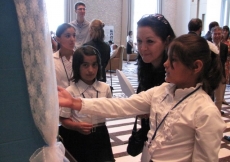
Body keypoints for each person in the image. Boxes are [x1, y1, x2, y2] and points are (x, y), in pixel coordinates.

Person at [58, 34, 226, 162]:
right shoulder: (162, 90)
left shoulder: (206, 111)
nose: (166, 64)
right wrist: (76, 103)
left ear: (196, 66)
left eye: (173, 60)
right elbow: (122, 105)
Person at [59, 45, 115, 162]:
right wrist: (76, 126)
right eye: (85, 65)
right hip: (78, 137)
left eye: (94, 65)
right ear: (77, 67)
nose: (90, 70)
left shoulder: (105, 88)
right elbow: (63, 119)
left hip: (101, 135)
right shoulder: (70, 91)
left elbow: (112, 109)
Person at [135, 14, 176, 150]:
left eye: (150, 41)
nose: (143, 48)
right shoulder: (146, 65)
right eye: (139, 41)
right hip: (150, 136)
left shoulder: (176, 72)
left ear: (167, 41)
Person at [211, 26, 228, 114]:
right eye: (215, 34)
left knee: (219, 99)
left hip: (220, 75)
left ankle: (217, 115)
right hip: (209, 76)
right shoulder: (208, 45)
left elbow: (223, 61)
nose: (217, 36)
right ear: (212, 34)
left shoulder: (224, 47)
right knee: (209, 98)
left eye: (219, 34)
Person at [53, 23, 76, 88]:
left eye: (74, 35)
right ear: (58, 39)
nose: (72, 39)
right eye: (68, 36)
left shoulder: (80, 57)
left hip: (76, 97)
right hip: (59, 96)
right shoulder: (52, 60)